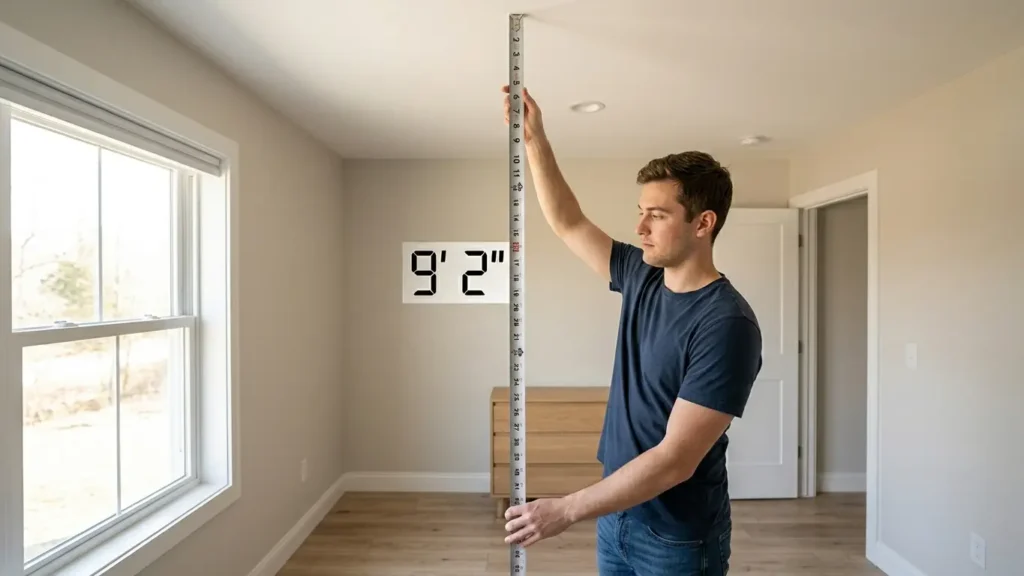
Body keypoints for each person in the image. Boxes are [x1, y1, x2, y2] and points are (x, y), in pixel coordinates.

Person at [499, 85, 763, 575]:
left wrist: (566, 509)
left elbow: (675, 460)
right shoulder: (642, 275)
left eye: (657, 215)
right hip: (615, 513)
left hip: (676, 537)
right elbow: (568, 222)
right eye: (640, 212)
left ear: (703, 223)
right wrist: (535, 140)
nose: (640, 227)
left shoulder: (727, 325)